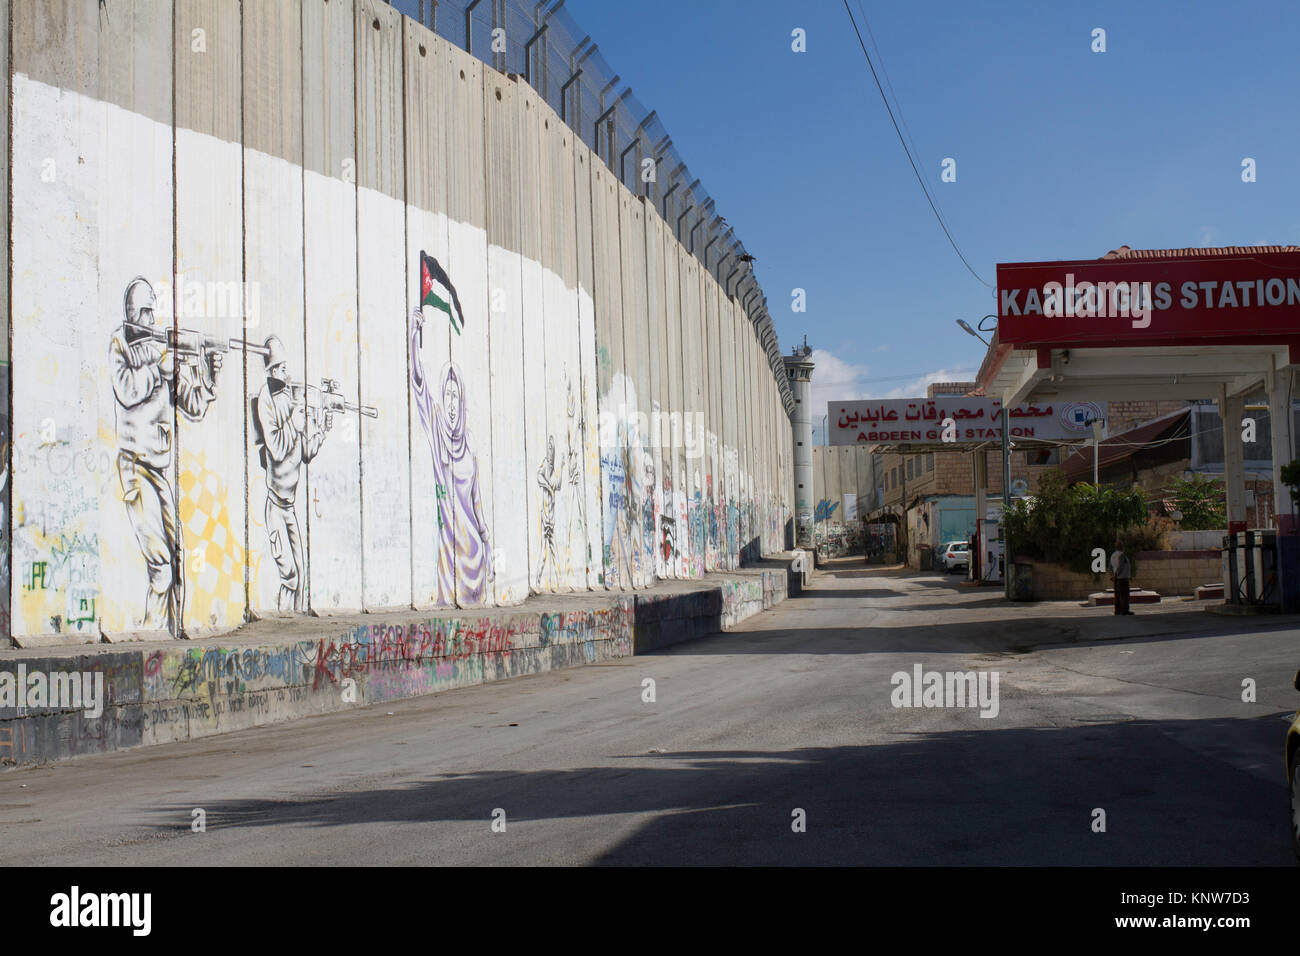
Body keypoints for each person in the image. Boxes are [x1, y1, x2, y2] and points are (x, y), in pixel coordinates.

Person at [111, 275, 221, 634]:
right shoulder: (121, 345)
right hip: (133, 466)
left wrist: (206, 375)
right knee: (159, 563)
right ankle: (153, 635)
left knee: (173, 558)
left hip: (157, 469)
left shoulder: (161, 351)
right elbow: (126, 390)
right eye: (144, 313)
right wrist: (157, 368)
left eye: (152, 312)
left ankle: (168, 631)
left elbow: (192, 406)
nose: (150, 319)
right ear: (132, 314)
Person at [252, 335, 331, 613]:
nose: (288, 373)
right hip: (275, 507)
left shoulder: (288, 399)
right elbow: (275, 447)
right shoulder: (267, 399)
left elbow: (305, 452)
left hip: (290, 507)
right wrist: (294, 422)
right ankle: (285, 618)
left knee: (302, 574)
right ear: (272, 370)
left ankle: (295, 617)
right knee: (290, 576)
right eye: (282, 368)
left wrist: (320, 428)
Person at [1110, 536, 1134, 615]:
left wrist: (1113, 575)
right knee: (1124, 595)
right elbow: (1121, 567)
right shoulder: (1122, 555)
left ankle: (1118, 610)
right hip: (1122, 577)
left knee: (1117, 595)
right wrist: (1117, 574)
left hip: (1116, 577)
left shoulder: (1113, 555)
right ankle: (1125, 610)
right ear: (1122, 547)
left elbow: (1111, 566)